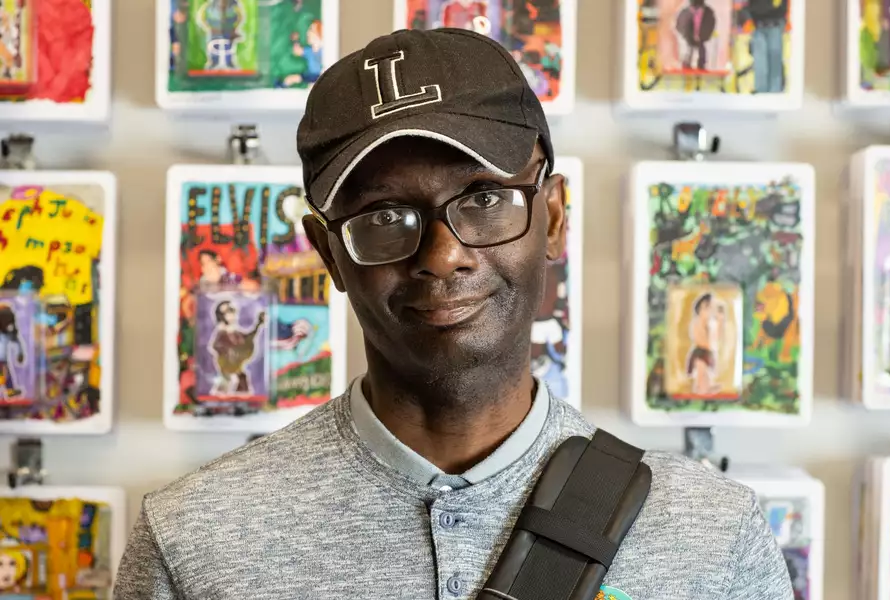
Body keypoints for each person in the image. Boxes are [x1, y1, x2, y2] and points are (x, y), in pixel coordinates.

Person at [113, 28, 792, 599]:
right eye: (385, 215)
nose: (442, 256)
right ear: (328, 253)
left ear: (554, 216)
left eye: (485, 199)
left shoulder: (712, 537)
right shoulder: (194, 539)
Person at [745, 0, 788, 93]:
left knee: (774, 66)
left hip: (774, 26)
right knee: (761, 65)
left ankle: (774, 95)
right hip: (759, 28)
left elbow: (782, 8)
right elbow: (749, 7)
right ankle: (762, 94)